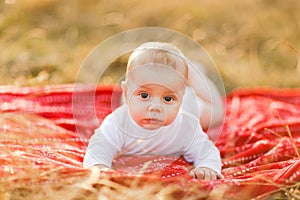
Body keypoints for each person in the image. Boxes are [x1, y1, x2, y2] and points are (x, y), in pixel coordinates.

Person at [83, 42, 224, 180]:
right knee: (132, 102)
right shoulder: (118, 122)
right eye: (145, 95)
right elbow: (100, 145)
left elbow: (206, 150)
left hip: (190, 105)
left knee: (215, 112)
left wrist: (207, 167)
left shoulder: (187, 125)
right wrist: (99, 166)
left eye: (168, 99)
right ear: (125, 92)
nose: (156, 107)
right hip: (132, 101)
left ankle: (194, 72)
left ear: (181, 98)